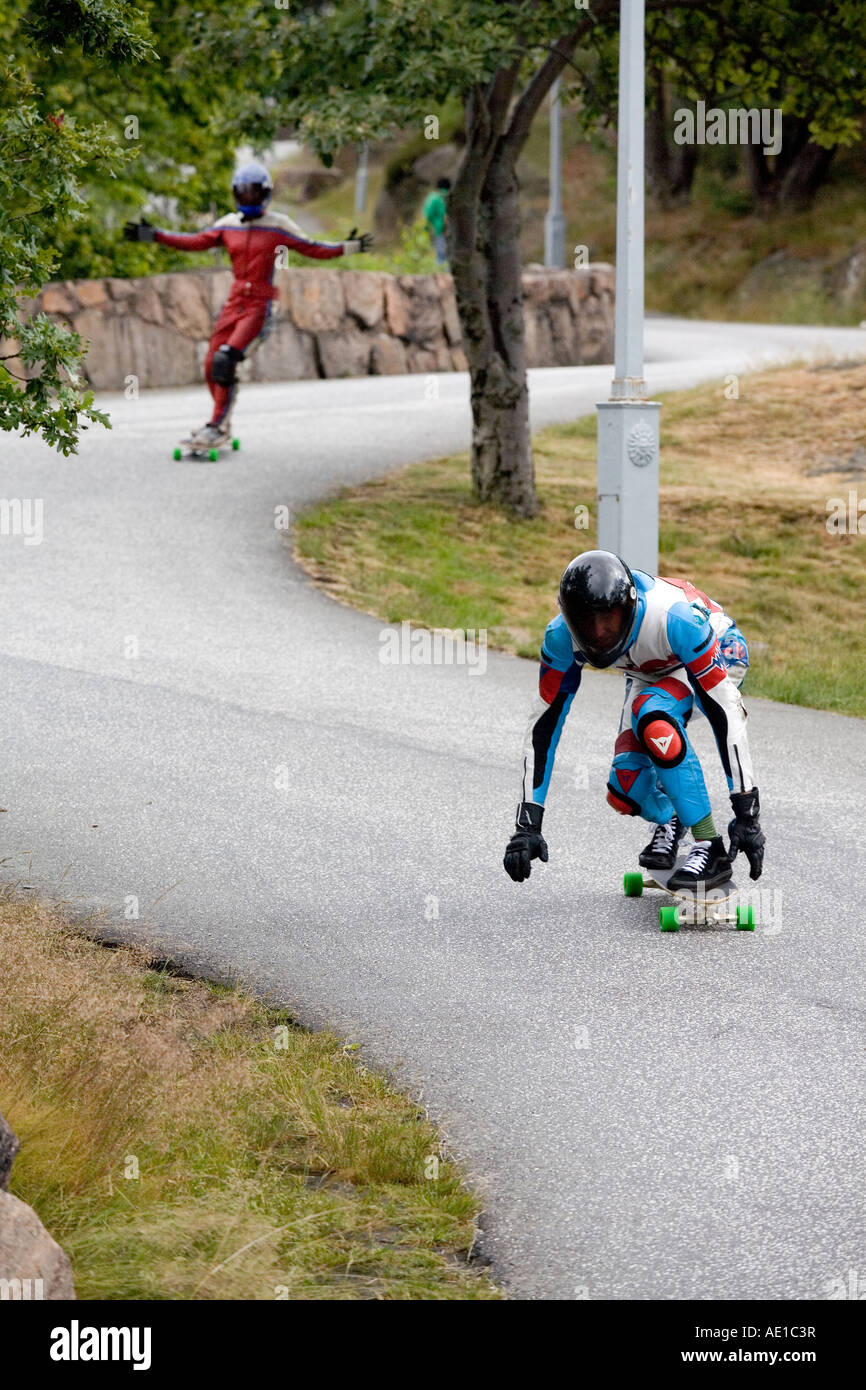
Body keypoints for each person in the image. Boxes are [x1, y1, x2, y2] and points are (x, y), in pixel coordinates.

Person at [503, 550, 765, 892]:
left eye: (608, 620)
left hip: (717, 651)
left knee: (654, 716)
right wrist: (528, 823)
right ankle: (675, 816)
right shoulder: (560, 637)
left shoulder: (676, 619)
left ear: (629, 607)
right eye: (585, 622)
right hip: (649, 668)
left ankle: (708, 848)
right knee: (625, 789)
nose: (598, 634)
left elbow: (727, 711)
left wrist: (746, 811)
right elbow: (543, 728)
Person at [124, 162, 373, 447]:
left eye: (254, 193)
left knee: (225, 360)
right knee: (210, 364)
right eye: (243, 194)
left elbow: (314, 247)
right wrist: (156, 235)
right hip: (235, 302)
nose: (249, 199)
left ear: (265, 194)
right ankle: (222, 422)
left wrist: (347, 246)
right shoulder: (228, 225)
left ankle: (215, 426)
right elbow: (194, 241)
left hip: (260, 305)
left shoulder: (278, 226)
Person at [422, 177, 450, 267]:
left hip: (438, 227)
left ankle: (441, 273)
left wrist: (426, 227)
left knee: (440, 254)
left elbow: (428, 214)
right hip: (451, 228)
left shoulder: (433, 197)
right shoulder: (450, 195)